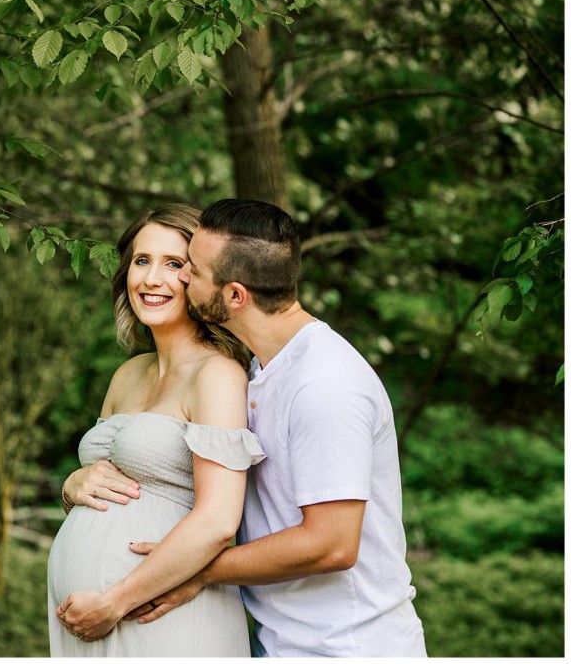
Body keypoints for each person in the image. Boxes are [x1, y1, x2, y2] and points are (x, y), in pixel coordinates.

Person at [63, 198, 427, 657]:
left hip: (348, 647)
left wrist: (197, 571)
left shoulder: (325, 383)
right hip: (282, 641)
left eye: (189, 268)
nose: (177, 279)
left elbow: (332, 544)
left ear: (234, 295)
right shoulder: (263, 369)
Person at [47, 204, 266, 657]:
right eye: (142, 261)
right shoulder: (127, 374)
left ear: (204, 278)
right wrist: (71, 487)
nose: (150, 280)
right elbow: (109, 489)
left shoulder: (218, 376)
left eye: (174, 265)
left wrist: (114, 601)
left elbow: (218, 521)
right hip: (89, 620)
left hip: (159, 615)